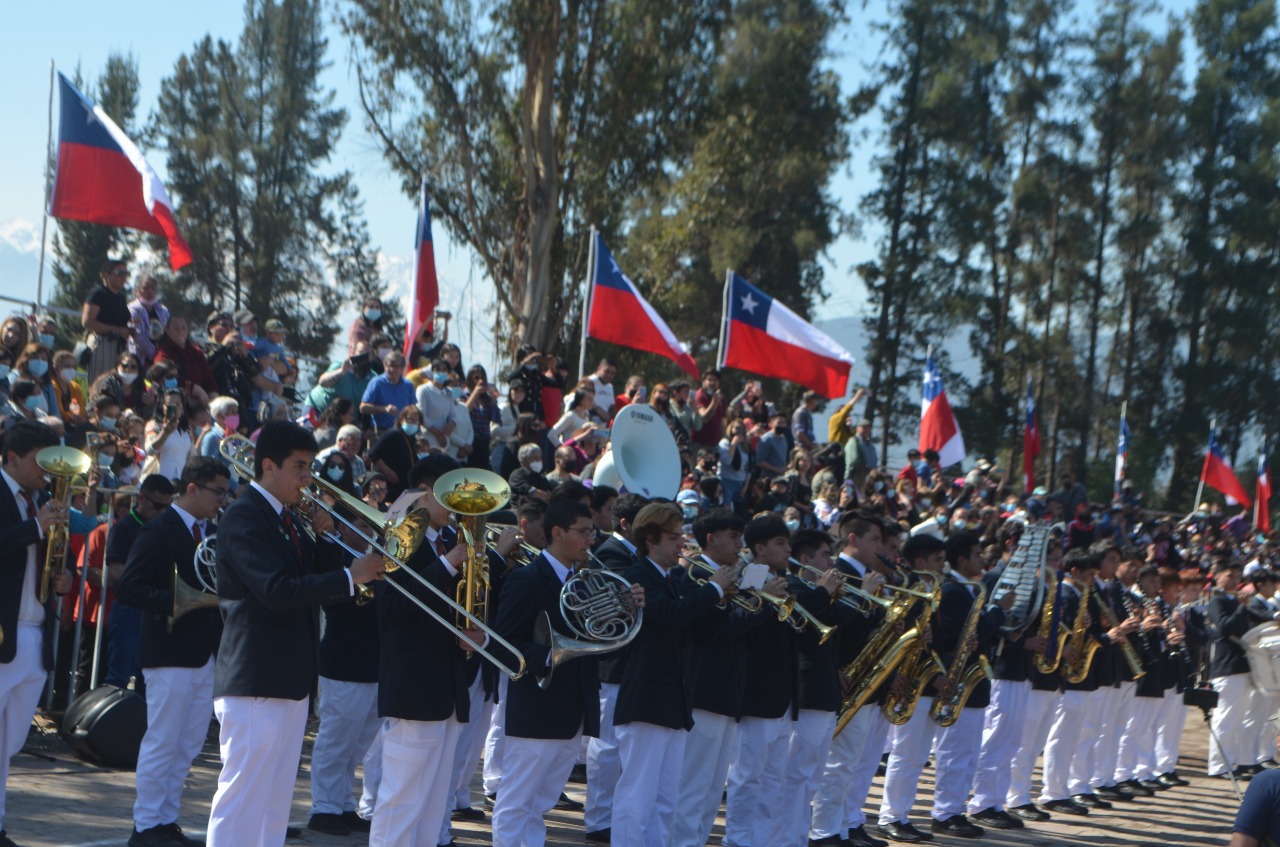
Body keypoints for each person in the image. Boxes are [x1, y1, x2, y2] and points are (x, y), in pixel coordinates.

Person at [205, 421, 384, 847]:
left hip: (287, 680)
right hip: (255, 680)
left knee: (274, 802)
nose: (308, 478)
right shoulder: (244, 516)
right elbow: (276, 591)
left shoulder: (285, 519)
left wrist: (325, 537)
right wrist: (349, 573)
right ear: (268, 466)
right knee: (242, 798)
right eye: (300, 467)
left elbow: (316, 581)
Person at [491, 499, 631, 846]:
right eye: (583, 532)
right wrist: (549, 656)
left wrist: (623, 609)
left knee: (541, 803)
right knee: (517, 800)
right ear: (557, 532)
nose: (590, 540)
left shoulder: (583, 582)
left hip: (572, 708)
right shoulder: (525, 579)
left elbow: (597, 639)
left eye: (592, 533)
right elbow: (503, 644)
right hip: (537, 707)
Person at [116, 457, 229, 847]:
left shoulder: (213, 532)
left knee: (189, 744)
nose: (223, 500)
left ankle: (166, 819)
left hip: (204, 651)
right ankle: (145, 825)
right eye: (218, 491)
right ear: (193, 488)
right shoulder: (159, 530)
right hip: (169, 650)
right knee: (162, 740)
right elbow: (129, 588)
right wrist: (180, 601)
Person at [0, 421, 73, 847]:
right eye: (39, 461)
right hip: (4, 632)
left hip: (32, 632)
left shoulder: (41, 500)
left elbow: (46, 558)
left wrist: (63, 577)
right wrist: (35, 527)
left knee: (9, 743)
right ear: (11, 458)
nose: (47, 471)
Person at [81, 258, 135, 386]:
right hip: (102, 344)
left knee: (116, 387)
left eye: (125, 273)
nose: (123, 277)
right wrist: (117, 330)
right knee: (100, 386)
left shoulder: (121, 297)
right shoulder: (98, 294)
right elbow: (87, 322)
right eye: (119, 273)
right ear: (106, 275)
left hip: (119, 347)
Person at [154, 317, 218, 400]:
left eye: (183, 328)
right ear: (167, 330)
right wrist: (193, 389)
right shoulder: (163, 352)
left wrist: (213, 397)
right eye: (175, 328)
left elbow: (209, 380)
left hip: (201, 401)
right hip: (176, 400)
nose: (180, 331)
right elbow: (163, 378)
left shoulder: (197, 352)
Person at [368, 406, 423, 502]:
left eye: (416, 421)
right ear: (402, 419)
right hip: (390, 486)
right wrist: (388, 471)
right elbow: (373, 454)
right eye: (410, 419)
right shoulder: (393, 434)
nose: (413, 423)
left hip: (403, 487)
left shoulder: (411, 438)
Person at [360, 352, 416, 431]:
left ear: (402, 368)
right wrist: (384, 409)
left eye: (396, 366)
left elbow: (413, 408)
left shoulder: (408, 385)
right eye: (390, 366)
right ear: (385, 366)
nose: (392, 369)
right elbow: (363, 407)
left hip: (402, 431)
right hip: (380, 431)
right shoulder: (377, 383)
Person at [127, 274, 169, 367]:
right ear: (137, 291)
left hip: (162, 358)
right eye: (145, 288)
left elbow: (168, 332)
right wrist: (156, 354)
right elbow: (138, 335)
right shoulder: (133, 309)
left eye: (152, 288)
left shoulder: (163, 310)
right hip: (140, 359)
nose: (149, 291)